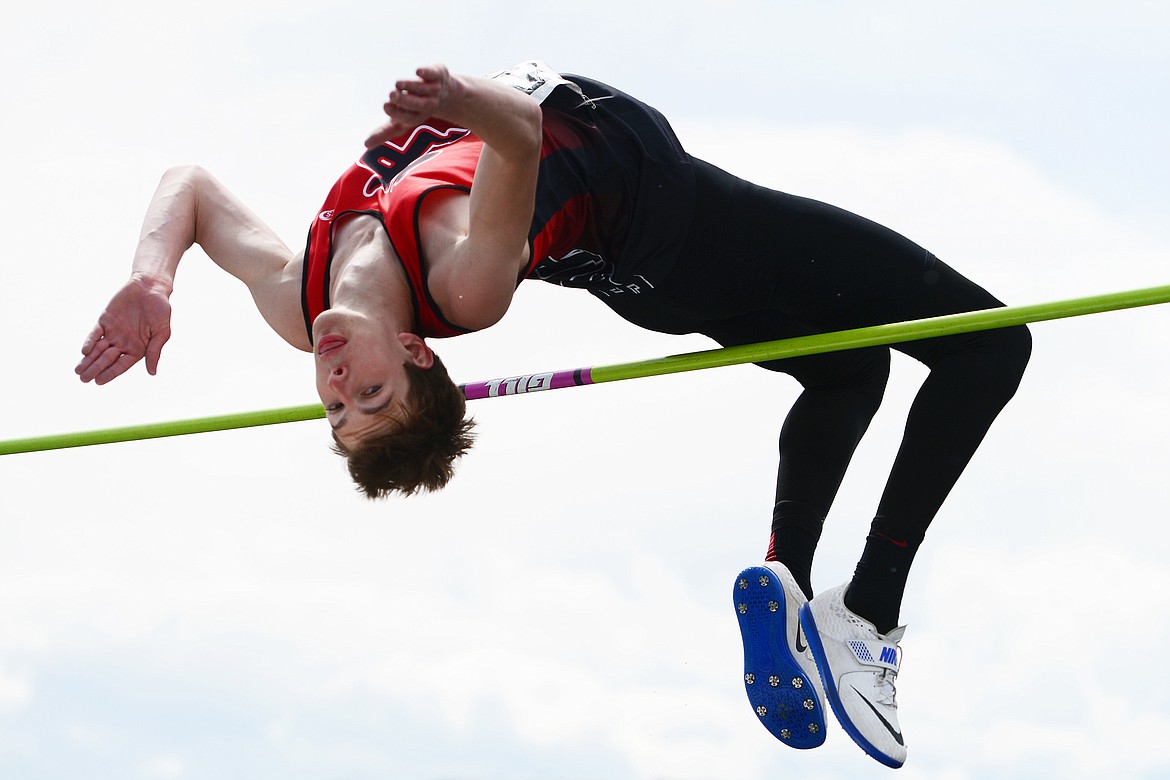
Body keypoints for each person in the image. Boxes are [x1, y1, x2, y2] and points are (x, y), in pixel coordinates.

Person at [75, 61, 1031, 768]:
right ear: (418, 355)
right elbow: (522, 137)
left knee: (847, 370)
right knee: (992, 344)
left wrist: (151, 280)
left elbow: (190, 188)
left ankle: (790, 582)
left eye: (336, 407)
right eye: (368, 393)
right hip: (686, 227)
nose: (336, 381)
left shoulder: (297, 300)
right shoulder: (463, 284)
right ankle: (868, 613)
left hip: (653, 268)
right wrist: (461, 104)